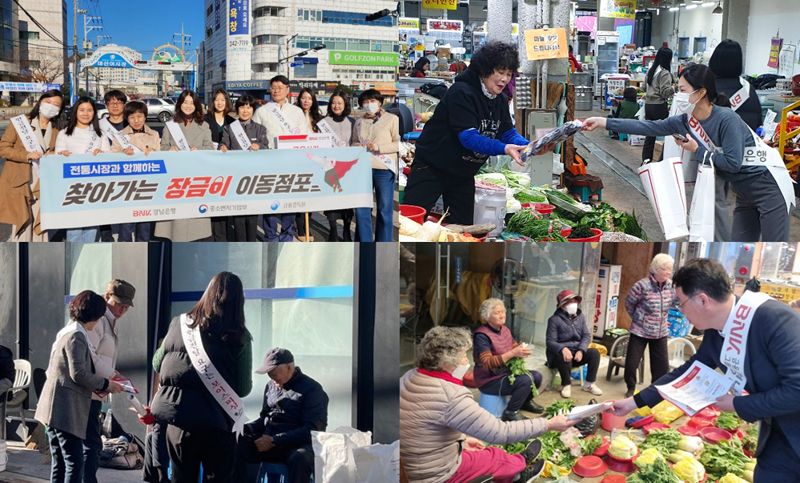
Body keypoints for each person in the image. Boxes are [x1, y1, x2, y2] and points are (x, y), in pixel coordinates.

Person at [611, 258, 800, 482]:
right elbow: (687, 372)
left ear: (702, 300)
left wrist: (737, 404)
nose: (679, 311)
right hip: (776, 434)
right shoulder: (715, 330)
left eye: (680, 303)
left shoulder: (774, 319)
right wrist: (635, 402)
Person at [583, 63, 793, 242]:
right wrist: (604, 122)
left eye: (683, 89)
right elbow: (648, 127)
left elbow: (732, 163)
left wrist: (697, 150)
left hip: (768, 187)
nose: (678, 95)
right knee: (738, 244)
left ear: (701, 92)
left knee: (774, 247)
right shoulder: (685, 120)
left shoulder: (726, 119)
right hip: (744, 194)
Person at [401, 326, 576, 483]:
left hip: (412, 464)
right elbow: (501, 432)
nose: (466, 361)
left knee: (479, 450)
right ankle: (520, 472)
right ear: (447, 361)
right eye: (463, 356)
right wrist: (549, 424)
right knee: (496, 456)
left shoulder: (409, 377)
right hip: (435, 474)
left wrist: (462, 440)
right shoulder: (451, 395)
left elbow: (425, 425)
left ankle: (516, 462)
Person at [404, 41, 551, 225]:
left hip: (463, 173)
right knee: (411, 222)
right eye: (500, 72)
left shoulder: (499, 99)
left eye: (508, 74)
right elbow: (468, 138)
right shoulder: (461, 93)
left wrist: (527, 145)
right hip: (432, 166)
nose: (504, 79)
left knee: (463, 227)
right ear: (484, 70)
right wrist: (505, 148)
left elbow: (506, 131)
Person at [150, 272, 253, 483]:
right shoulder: (239, 336)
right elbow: (243, 388)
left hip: (178, 420)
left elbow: (156, 363)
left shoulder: (178, 324)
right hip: (216, 424)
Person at [34, 291, 124, 483]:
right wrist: (107, 384)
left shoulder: (67, 331)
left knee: (60, 461)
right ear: (94, 316)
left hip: (53, 410)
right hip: (65, 411)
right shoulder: (77, 335)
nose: (99, 322)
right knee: (74, 462)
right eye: (99, 317)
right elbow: (79, 374)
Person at [234, 348, 328, 483]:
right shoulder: (271, 385)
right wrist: (245, 429)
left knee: (300, 458)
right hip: (269, 442)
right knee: (234, 443)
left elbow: (312, 430)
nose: (272, 377)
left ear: (289, 367)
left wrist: (275, 440)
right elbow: (265, 418)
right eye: (269, 374)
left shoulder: (312, 390)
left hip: (297, 444)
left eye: (274, 373)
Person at [81, 280, 135, 483]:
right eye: (118, 303)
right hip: (89, 390)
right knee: (90, 446)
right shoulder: (98, 320)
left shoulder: (109, 321)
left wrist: (113, 373)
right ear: (106, 297)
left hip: (96, 390)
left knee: (90, 445)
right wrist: (112, 375)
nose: (122, 309)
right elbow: (90, 356)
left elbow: (101, 358)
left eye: (126, 306)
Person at [710, 39, 764, 241]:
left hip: (718, 154)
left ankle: (720, 239)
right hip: (748, 155)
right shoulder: (748, 89)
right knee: (747, 205)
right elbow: (757, 121)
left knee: (718, 202)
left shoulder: (709, 89)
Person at [0, 89, 62, 241]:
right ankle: (19, 258)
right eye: (48, 102)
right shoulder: (21, 122)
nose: (51, 106)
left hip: (44, 181)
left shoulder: (57, 129)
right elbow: (3, 148)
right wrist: (26, 155)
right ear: (40, 102)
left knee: (41, 222)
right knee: (23, 222)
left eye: (56, 105)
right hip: (22, 179)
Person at [252, 75, 309, 241]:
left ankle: (287, 233)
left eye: (280, 87)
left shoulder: (296, 111)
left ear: (287, 90)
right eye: (273, 87)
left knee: (289, 200)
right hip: (269, 161)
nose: (276, 90)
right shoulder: (262, 111)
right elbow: (255, 135)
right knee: (270, 199)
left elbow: (304, 136)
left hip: (291, 162)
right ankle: (270, 234)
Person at [154, 90, 214, 242]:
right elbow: (162, 147)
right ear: (180, 104)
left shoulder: (204, 125)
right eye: (185, 102)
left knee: (195, 220)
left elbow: (210, 148)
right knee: (176, 222)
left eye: (191, 103)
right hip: (176, 177)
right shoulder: (170, 125)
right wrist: (170, 150)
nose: (188, 106)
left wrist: (199, 150)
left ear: (196, 105)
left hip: (196, 177)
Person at [473, 298, 544, 421]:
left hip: (505, 373)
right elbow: (487, 363)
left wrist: (520, 350)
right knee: (525, 380)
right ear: (487, 316)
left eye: (503, 312)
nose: (502, 315)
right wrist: (512, 353)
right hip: (489, 380)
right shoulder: (481, 336)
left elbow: (512, 345)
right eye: (497, 313)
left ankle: (525, 402)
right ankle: (510, 412)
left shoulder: (504, 329)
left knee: (537, 376)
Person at [55, 96, 111, 242]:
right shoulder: (64, 133)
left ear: (94, 113)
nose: (86, 113)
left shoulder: (100, 134)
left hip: (95, 188)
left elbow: (109, 159)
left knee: (92, 230)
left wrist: (102, 154)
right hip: (73, 190)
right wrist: (62, 156)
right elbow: (56, 160)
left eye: (89, 110)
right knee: (74, 231)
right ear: (75, 112)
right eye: (82, 110)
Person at [622, 254, 676, 398]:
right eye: (666, 269)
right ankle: (631, 387)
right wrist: (639, 319)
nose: (669, 272)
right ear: (657, 269)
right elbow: (629, 303)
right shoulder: (642, 286)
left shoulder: (671, 286)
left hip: (661, 332)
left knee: (662, 365)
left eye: (670, 269)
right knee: (632, 362)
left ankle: (656, 390)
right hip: (640, 330)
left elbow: (676, 303)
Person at [351, 89, 399, 242]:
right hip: (362, 168)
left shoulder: (392, 119)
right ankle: (364, 244)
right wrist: (357, 146)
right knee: (361, 210)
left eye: (372, 101)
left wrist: (379, 147)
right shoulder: (359, 121)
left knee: (385, 210)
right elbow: (353, 142)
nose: (369, 104)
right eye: (365, 102)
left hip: (384, 169)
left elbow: (398, 144)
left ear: (379, 102)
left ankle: (384, 244)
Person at [219, 95, 269, 241]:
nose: (245, 111)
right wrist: (223, 147)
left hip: (253, 178)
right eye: (242, 107)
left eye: (248, 107)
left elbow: (266, 146)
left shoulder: (260, 129)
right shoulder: (229, 128)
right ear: (237, 109)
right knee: (239, 216)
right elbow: (224, 144)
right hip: (236, 178)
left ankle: (252, 243)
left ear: (253, 110)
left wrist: (259, 146)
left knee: (252, 216)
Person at [110, 100, 161, 241]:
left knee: (145, 227)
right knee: (126, 227)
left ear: (145, 117)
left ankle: (142, 258)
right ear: (127, 118)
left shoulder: (154, 134)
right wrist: (122, 153)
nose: (136, 120)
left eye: (140, 116)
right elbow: (111, 158)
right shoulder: (120, 136)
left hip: (147, 186)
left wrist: (153, 151)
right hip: (127, 187)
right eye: (132, 117)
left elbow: (161, 158)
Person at [546, 290, 604, 399]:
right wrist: (562, 348)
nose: (573, 304)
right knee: (563, 355)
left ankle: (589, 384)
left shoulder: (580, 317)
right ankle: (566, 384)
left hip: (576, 354)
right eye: (569, 302)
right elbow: (550, 342)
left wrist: (581, 350)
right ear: (562, 305)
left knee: (594, 353)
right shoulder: (554, 320)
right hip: (558, 357)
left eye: (574, 301)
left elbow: (586, 335)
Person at [318, 90, 355, 241]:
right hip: (330, 167)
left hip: (348, 168)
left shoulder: (352, 122)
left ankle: (346, 228)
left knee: (347, 201)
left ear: (345, 104)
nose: (336, 106)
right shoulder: (324, 123)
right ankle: (332, 228)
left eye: (339, 103)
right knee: (332, 200)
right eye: (333, 103)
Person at [295, 88, 324, 238]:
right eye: (303, 98)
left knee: (311, 197)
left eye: (309, 98)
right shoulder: (293, 115)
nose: (306, 101)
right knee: (299, 196)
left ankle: (307, 225)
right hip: (298, 161)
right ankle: (301, 229)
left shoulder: (319, 119)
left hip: (314, 162)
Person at [641, 47, 674, 162]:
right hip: (659, 106)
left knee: (650, 135)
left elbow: (643, 87)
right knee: (670, 133)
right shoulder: (664, 73)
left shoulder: (652, 69)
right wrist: (675, 88)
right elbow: (665, 92)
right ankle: (662, 161)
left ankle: (646, 160)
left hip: (648, 105)